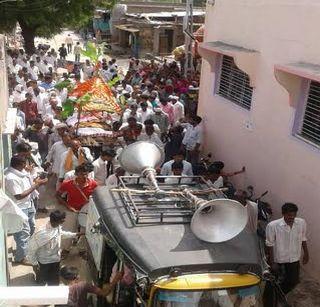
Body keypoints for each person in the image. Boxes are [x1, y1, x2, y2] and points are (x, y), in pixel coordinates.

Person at [5, 156, 47, 264]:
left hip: (28, 204)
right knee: (23, 233)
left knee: (31, 227)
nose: (27, 166)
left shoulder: (21, 172)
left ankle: (24, 249)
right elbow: (19, 195)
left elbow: (27, 184)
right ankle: (21, 257)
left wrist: (36, 181)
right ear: (20, 164)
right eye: (25, 164)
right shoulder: (11, 177)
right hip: (20, 207)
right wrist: (37, 185)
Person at [27, 210, 80, 285]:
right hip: (44, 262)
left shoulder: (56, 227)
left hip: (55, 259)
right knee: (42, 281)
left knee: (54, 281)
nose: (64, 220)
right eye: (63, 219)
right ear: (57, 221)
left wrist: (76, 234)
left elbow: (61, 234)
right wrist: (34, 264)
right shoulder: (41, 234)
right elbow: (31, 249)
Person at [266, 203, 309, 294]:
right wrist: (272, 262)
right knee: (273, 281)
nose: (292, 217)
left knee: (294, 281)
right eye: (289, 215)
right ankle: (272, 299)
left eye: (294, 215)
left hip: (294, 257)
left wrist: (306, 253)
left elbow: (303, 238)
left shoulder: (301, 223)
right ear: (283, 214)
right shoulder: (273, 226)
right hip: (279, 259)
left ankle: (279, 294)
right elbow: (270, 244)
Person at [59, 265, 123, 307]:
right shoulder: (83, 285)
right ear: (77, 276)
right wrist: (115, 279)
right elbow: (104, 293)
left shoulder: (58, 290)